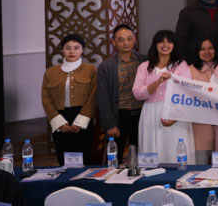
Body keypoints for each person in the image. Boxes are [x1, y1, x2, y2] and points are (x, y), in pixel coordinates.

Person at [133, 30, 196, 164]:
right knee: (153, 150)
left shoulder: (181, 66)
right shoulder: (144, 67)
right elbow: (137, 93)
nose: (165, 45)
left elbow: (188, 92)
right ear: (155, 45)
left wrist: (175, 117)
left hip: (175, 113)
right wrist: (157, 82)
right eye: (161, 42)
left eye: (169, 42)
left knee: (175, 149)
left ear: (174, 45)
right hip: (151, 113)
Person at [42, 34, 97, 164]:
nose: (72, 51)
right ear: (62, 50)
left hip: (83, 117)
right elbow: (46, 98)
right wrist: (59, 123)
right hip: (60, 118)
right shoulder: (50, 72)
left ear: (82, 50)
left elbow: (93, 96)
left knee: (86, 158)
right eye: (68, 48)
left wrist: (80, 122)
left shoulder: (91, 70)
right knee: (64, 157)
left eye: (76, 48)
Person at [97, 25, 143, 161]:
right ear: (113, 42)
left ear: (134, 40)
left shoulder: (144, 61)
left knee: (141, 155)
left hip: (141, 113)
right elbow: (103, 97)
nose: (126, 43)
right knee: (115, 157)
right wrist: (110, 124)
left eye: (129, 39)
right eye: (121, 40)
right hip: (119, 115)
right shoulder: (106, 66)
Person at [189, 38, 217, 164]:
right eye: (202, 49)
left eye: (210, 48)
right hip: (200, 125)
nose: (207, 52)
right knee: (201, 162)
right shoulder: (190, 70)